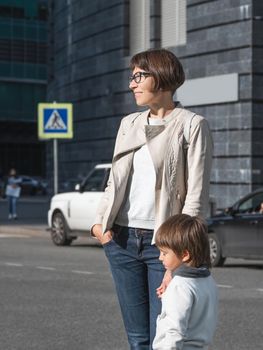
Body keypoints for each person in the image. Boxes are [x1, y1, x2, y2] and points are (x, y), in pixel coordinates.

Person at [91, 49, 213, 350]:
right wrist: (99, 225)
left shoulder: (192, 125)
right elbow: (115, 180)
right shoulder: (128, 123)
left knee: (167, 336)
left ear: (160, 76)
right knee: (137, 339)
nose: (132, 84)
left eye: (138, 76)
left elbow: (195, 196)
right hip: (120, 240)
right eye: (132, 77)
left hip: (165, 247)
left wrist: (177, 260)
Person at [153, 214, 218, 350]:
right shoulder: (208, 280)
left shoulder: (180, 286)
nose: (160, 257)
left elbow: (174, 330)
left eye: (164, 253)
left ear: (185, 254)